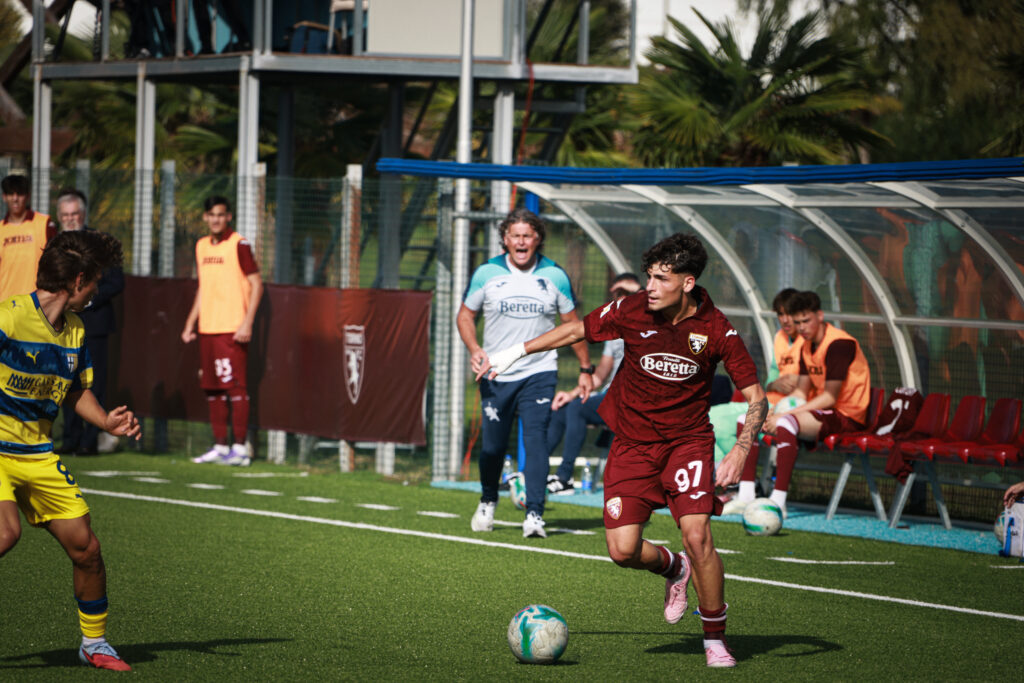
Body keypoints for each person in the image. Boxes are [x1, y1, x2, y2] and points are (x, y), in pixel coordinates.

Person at [479, 233, 768, 668]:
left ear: (688, 283)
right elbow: (577, 329)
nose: (649, 287)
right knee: (622, 550)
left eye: (661, 279)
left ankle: (714, 638)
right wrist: (514, 352)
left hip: (687, 444)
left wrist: (740, 451)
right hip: (632, 445)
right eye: (648, 276)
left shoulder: (716, 329)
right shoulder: (631, 309)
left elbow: (757, 397)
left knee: (698, 536)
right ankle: (674, 568)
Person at [0, 230, 142, 671]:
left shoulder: (75, 330)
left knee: (87, 548)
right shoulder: (8, 318)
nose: (97, 289)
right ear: (78, 280)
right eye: (95, 280)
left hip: (38, 454)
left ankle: (94, 644)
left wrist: (107, 421)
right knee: (5, 533)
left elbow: (76, 391)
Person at [457, 208, 593, 539]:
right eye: (515, 235)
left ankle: (534, 514)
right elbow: (465, 315)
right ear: (505, 239)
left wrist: (585, 369)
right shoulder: (487, 273)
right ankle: (488, 499)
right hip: (496, 374)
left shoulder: (554, 275)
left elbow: (573, 326)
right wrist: (475, 348)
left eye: (527, 236)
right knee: (493, 447)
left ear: (537, 239)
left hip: (539, 372)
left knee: (535, 441)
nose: (521, 242)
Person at [733, 290, 871, 515]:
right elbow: (801, 391)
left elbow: (830, 398)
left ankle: (778, 501)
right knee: (746, 419)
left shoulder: (839, 344)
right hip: (820, 412)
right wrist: (773, 411)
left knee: (786, 423)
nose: (802, 327)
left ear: (820, 315)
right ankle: (745, 496)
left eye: (806, 321)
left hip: (847, 416)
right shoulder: (807, 345)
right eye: (798, 323)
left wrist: (785, 415)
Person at [181, 196, 263, 466]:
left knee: (235, 388)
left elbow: (257, 284)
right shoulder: (202, 246)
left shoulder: (239, 244)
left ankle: (240, 449)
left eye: (221, 214)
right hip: (208, 328)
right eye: (211, 215)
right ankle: (220, 446)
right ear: (205, 217)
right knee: (212, 389)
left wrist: (247, 322)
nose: (216, 219)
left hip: (232, 329)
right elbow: (203, 288)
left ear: (228, 217)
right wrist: (190, 323)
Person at [545, 272, 642, 494]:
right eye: (618, 293)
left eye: (627, 293)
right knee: (563, 408)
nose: (622, 298)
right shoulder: (615, 330)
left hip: (633, 399)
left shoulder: (651, 325)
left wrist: (635, 292)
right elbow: (599, 376)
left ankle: (565, 476)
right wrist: (571, 393)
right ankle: (533, 471)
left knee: (578, 409)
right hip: (610, 396)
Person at [54, 189, 125, 456]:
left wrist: (87, 299)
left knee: (94, 382)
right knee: (66, 381)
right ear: (59, 217)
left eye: (75, 213)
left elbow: (116, 282)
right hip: (63, 324)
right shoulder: (55, 245)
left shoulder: (101, 243)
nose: (70, 219)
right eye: (65, 215)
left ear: (83, 214)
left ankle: (90, 441)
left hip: (95, 324)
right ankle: (71, 438)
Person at [0, 174, 57, 302]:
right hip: (5, 304)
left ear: (27, 196)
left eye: (20, 194)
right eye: (10, 194)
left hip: (37, 303)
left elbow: (56, 262)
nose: (15, 198)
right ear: (4, 197)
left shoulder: (44, 223)